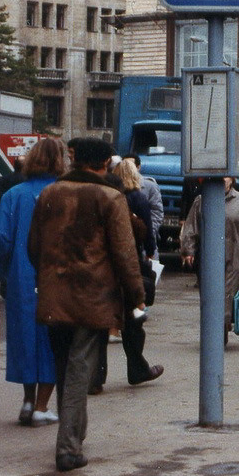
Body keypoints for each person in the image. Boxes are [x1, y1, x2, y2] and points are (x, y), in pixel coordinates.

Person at [28, 137, 147, 472]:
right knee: (81, 368)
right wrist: (136, 294)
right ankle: (67, 447)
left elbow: (33, 246)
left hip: (54, 294)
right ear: (103, 164)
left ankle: (73, 438)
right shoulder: (110, 197)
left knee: (65, 366)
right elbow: (125, 253)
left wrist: (49, 276)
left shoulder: (50, 193)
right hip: (93, 295)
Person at [0, 138, 65, 428]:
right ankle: (43, 406)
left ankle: (27, 400)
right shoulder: (63, 194)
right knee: (51, 339)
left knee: (25, 337)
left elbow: (1, 241)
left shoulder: (13, 195)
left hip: (21, 277)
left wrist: (6, 271)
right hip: (56, 277)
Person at [90, 160, 163, 393]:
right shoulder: (132, 203)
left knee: (100, 323)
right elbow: (143, 235)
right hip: (126, 270)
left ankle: (95, 377)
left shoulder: (98, 202)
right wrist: (149, 253)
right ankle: (137, 369)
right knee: (134, 321)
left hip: (101, 272)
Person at [180, 178, 239, 343]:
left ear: (232, 180)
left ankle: (219, 335)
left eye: (226, 176)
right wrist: (188, 250)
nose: (223, 180)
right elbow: (191, 227)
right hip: (207, 257)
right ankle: (217, 331)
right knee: (209, 297)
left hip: (234, 256)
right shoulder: (201, 200)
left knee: (226, 297)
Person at [124, 155, 164, 260]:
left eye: (131, 165)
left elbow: (157, 212)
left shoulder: (149, 186)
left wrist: (149, 231)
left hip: (146, 238)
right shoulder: (119, 188)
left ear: (138, 167)